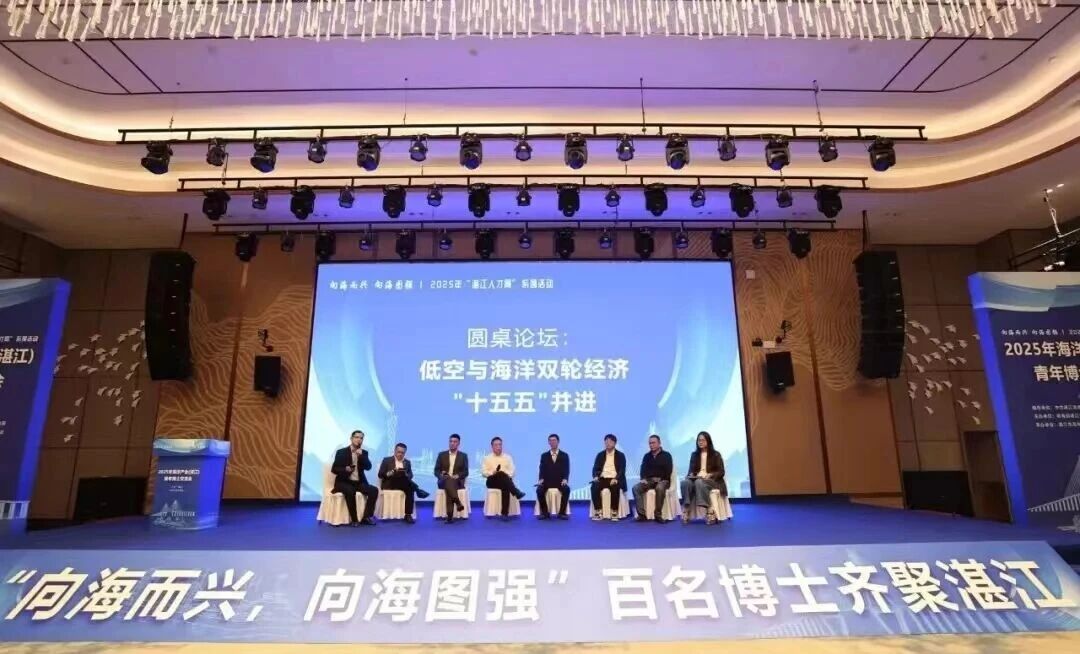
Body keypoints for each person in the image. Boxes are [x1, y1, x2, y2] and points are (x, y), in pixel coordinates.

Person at [330, 430, 380, 526]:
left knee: (374, 490)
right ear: (351, 438)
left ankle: (366, 517)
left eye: (361, 438)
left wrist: (361, 456)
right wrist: (345, 469)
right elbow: (334, 469)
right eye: (356, 437)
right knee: (350, 490)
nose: (359, 440)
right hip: (344, 482)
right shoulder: (341, 452)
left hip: (358, 482)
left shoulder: (364, 453)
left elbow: (368, 467)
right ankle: (354, 519)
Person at [680, 431, 728, 525]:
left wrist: (711, 475)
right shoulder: (694, 455)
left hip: (713, 481)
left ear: (708, 441)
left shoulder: (716, 454)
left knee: (699, 482)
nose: (700, 442)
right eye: (699, 440)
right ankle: (686, 508)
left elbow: (721, 472)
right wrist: (691, 475)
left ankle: (709, 511)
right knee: (685, 483)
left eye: (703, 440)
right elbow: (691, 471)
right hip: (697, 479)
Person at [377, 442, 430, 524]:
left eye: (402, 453)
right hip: (390, 483)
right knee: (409, 485)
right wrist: (390, 473)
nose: (400, 454)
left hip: (403, 484)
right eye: (399, 452)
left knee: (409, 488)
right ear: (395, 451)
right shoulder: (386, 460)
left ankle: (408, 515)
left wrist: (406, 475)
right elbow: (380, 474)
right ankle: (418, 490)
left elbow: (411, 475)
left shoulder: (407, 462)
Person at [482, 437, 526, 520]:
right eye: (496, 445)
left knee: (504, 483)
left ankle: (504, 514)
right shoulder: (487, 458)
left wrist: (505, 475)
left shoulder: (508, 457)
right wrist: (492, 473)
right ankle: (516, 492)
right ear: (492, 446)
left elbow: (512, 471)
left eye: (500, 445)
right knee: (501, 474)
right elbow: (484, 472)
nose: (498, 447)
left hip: (505, 481)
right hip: (492, 481)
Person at [632, 434, 673, 523]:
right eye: (650, 443)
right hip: (649, 480)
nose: (651, 445)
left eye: (653, 443)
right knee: (635, 488)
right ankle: (642, 515)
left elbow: (669, 470)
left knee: (659, 488)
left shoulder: (666, 455)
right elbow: (643, 468)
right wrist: (643, 478)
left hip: (663, 480)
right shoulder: (647, 456)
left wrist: (660, 479)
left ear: (659, 443)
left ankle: (658, 514)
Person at [590, 434, 627, 521]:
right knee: (594, 486)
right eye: (606, 442)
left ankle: (614, 512)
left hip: (614, 478)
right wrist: (595, 476)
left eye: (610, 442)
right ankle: (598, 511)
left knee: (615, 486)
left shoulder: (620, 455)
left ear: (615, 443)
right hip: (602, 478)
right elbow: (595, 468)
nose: (608, 443)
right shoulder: (600, 455)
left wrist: (616, 479)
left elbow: (622, 470)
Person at [434, 434, 469, 523]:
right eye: (451, 441)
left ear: (458, 443)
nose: (452, 443)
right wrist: (441, 475)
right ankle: (458, 503)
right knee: (448, 480)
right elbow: (436, 470)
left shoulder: (463, 456)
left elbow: (466, 472)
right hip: (443, 480)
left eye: (455, 442)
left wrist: (458, 476)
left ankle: (449, 516)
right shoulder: (441, 455)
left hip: (457, 482)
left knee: (450, 484)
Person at [536, 434, 570, 520]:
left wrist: (565, 479)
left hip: (560, 481)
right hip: (547, 481)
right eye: (550, 441)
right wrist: (540, 479)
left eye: (554, 440)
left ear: (558, 442)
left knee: (567, 489)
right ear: (548, 442)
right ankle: (545, 513)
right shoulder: (544, 455)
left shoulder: (564, 455)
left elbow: (566, 469)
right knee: (539, 490)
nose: (552, 442)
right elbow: (541, 469)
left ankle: (562, 513)